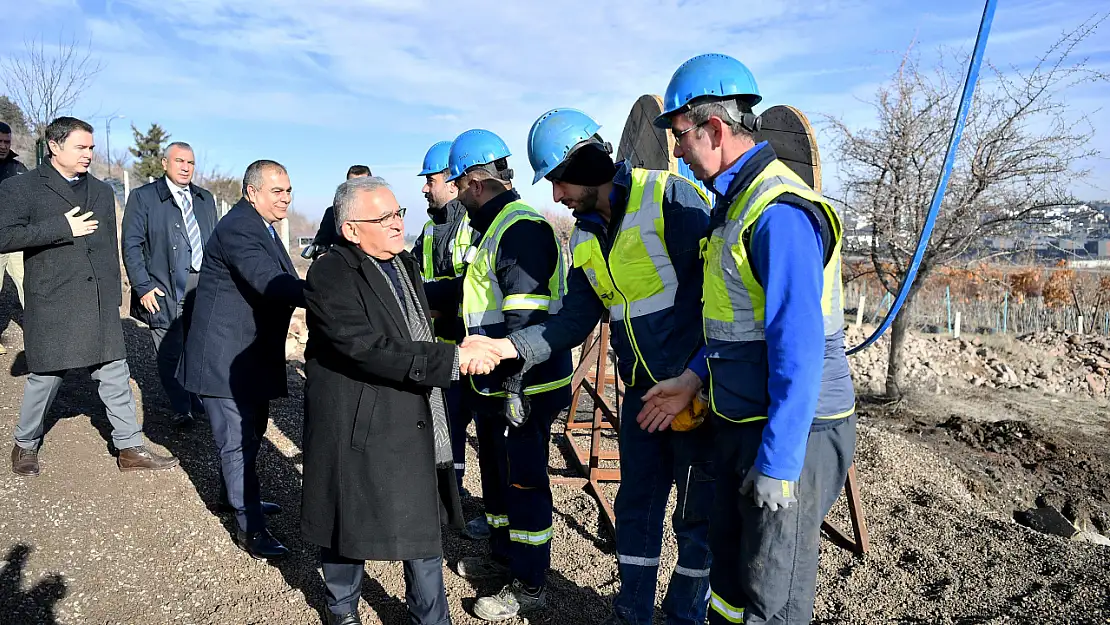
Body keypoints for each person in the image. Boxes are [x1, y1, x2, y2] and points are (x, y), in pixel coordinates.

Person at [464, 107, 714, 625]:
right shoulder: (582, 237)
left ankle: (684, 617)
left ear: (586, 162)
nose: (555, 195)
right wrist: (505, 349)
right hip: (643, 395)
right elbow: (571, 322)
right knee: (636, 508)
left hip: (696, 392)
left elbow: (719, 301)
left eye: (558, 180)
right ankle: (632, 614)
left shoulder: (668, 198)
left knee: (697, 520)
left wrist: (697, 377)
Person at [639, 53, 857, 625]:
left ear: (714, 128)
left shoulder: (778, 212)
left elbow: (798, 346)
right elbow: (733, 326)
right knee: (731, 587)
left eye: (682, 135)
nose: (678, 151)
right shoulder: (733, 204)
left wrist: (781, 463)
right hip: (743, 421)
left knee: (772, 597)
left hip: (795, 431)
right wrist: (692, 377)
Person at [301, 175, 501, 625]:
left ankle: (431, 618)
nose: (396, 224)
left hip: (411, 413)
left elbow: (419, 317)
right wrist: (451, 359)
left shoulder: (403, 262)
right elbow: (364, 346)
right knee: (346, 520)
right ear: (351, 228)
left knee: (422, 526)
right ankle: (342, 610)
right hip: (359, 421)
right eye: (384, 217)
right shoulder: (330, 273)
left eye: (399, 213)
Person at [428, 129, 573, 622]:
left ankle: (530, 584)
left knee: (525, 483)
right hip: (495, 384)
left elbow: (527, 323)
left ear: (473, 182)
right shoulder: (493, 227)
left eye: (456, 186)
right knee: (497, 475)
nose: (454, 196)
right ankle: (503, 555)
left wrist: (512, 387)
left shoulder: (520, 229)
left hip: (526, 386)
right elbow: (473, 295)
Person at [0, 116, 179, 476]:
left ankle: (129, 448)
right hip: (54, 298)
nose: (88, 154)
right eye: (80, 147)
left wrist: (113, 295)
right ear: (54, 146)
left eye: (91, 147)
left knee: (114, 372)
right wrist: (61, 228)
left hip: (96, 299)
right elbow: (4, 237)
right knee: (46, 377)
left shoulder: (100, 191)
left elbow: (107, 249)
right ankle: (25, 443)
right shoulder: (22, 188)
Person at [178, 159, 305, 559]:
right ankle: (250, 528)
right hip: (224, 360)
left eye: (288, 191)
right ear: (252, 192)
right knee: (236, 442)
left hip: (249, 357)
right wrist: (330, 295)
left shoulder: (261, 225)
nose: (285, 198)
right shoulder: (239, 228)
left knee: (251, 434)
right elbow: (271, 282)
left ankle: (229, 497)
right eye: (276, 191)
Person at [122, 141, 217, 428]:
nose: (186, 167)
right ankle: (181, 406)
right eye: (179, 161)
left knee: (197, 346)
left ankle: (194, 395)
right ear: (165, 163)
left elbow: (214, 242)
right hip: (162, 286)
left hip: (202, 285)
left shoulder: (204, 198)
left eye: (190, 163)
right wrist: (142, 285)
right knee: (169, 350)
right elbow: (131, 244)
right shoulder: (144, 197)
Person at [411, 140, 481, 526]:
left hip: (472, 351)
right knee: (444, 431)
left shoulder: (473, 228)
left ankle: (481, 512)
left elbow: (470, 288)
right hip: (439, 351)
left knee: (481, 436)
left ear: (453, 184)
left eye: (431, 180)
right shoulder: (426, 230)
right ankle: (446, 506)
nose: (425, 187)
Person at [0, 120, 29, 354]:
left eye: (6, 141)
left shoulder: (19, 169)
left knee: (28, 285)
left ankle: (38, 333)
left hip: (17, 239)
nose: (2, 145)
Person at [306, 165, 371, 258]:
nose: (357, 188)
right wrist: (321, 255)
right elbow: (321, 243)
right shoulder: (333, 213)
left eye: (362, 184)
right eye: (352, 184)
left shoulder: (384, 211)